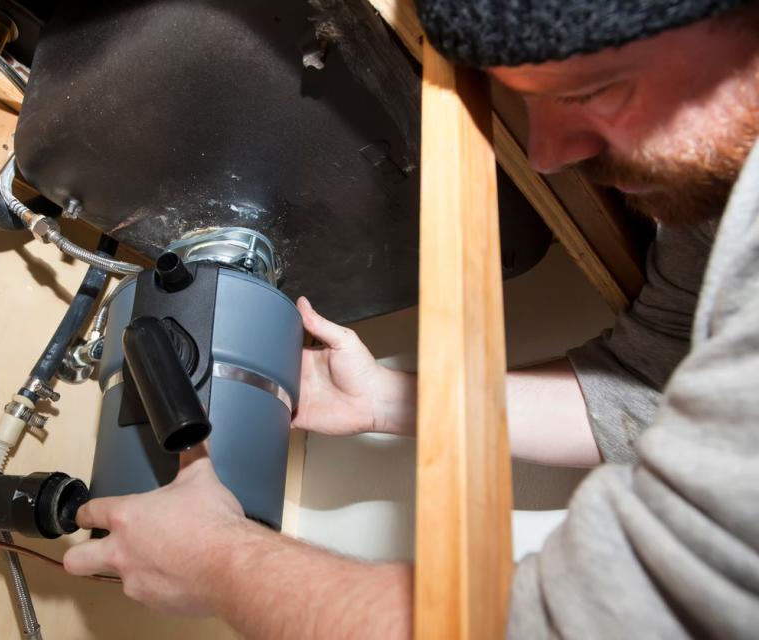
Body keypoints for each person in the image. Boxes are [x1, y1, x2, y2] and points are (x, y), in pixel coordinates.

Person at [64, 1, 759, 636]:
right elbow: (648, 387)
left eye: (591, 91)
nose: (546, 155)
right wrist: (390, 400)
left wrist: (218, 562)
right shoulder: (713, 218)